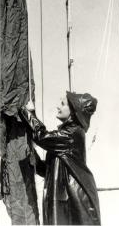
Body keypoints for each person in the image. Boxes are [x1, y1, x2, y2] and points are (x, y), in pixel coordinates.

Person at [20, 91, 101, 225]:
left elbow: (41, 136)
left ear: (73, 112)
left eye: (63, 104)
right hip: (66, 199)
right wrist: (35, 160)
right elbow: (50, 171)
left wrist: (29, 113)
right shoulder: (69, 134)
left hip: (71, 201)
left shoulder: (72, 133)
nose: (58, 107)